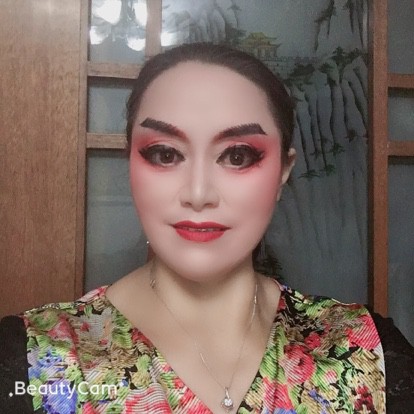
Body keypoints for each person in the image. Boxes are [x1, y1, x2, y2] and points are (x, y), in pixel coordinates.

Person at [0, 43, 413, 414]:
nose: (198, 194)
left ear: (284, 171)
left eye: (237, 156)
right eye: (165, 154)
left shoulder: (365, 353)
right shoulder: (34, 359)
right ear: (130, 163)